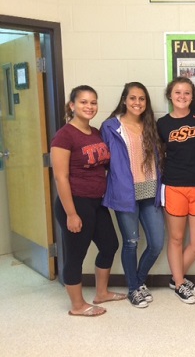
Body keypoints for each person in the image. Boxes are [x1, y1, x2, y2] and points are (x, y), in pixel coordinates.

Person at [51, 85, 125, 317]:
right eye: (83, 102)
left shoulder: (94, 132)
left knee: (110, 245)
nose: (89, 106)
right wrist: (71, 213)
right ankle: (77, 305)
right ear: (72, 106)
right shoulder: (64, 135)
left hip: (96, 201)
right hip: (75, 202)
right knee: (76, 254)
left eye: (93, 102)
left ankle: (101, 293)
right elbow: (60, 177)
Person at [101, 82, 165, 308]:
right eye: (133, 98)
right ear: (124, 100)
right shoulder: (110, 126)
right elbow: (105, 161)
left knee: (156, 243)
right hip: (125, 193)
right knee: (130, 242)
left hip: (150, 190)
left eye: (142, 99)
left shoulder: (150, 125)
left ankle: (138, 281)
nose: (137, 102)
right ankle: (133, 289)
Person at [156, 77, 195, 304]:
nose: (182, 96)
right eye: (177, 92)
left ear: (192, 96)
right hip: (174, 187)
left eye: (187, 93)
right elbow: (158, 154)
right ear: (170, 95)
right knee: (176, 238)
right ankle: (180, 283)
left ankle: (175, 278)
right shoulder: (162, 124)